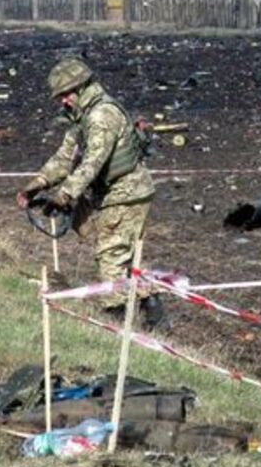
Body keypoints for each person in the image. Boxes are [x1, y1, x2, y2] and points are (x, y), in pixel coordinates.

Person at [16, 58, 162, 328]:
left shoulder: (102, 116)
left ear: (82, 88)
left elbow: (92, 163)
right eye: (60, 97)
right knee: (122, 253)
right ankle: (152, 306)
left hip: (126, 192)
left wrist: (64, 195)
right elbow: (64, 158)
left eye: (66, 95)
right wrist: (36, 184)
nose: (63, 101)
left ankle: (116, 319)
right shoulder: (82, 118)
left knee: (110, 253)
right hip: (113, 193)